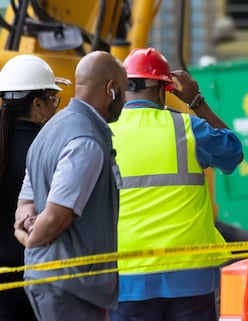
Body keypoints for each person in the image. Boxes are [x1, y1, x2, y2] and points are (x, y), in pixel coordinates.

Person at [108, 48, 243, 321]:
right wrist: (196, 100)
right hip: (190, 277)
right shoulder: (187, 128)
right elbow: (233, 153)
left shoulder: (104, 133)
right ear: (164, 90)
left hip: (128, 277)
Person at [13, 50, 128, 321]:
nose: (124, 100)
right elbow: (55, 217)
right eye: (122, 91)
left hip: (52, 281)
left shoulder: (52, 129)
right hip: (73, 286)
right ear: (111, 89)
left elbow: (24, 205)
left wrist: (26, 229)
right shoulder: (85, 140)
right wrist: (33, 239)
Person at [0, 54, 68, 321]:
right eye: (53, 100)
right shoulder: (55, 148)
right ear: (38, 105)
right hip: (41, 276)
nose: (55, 108)